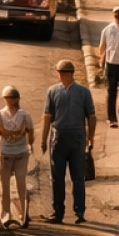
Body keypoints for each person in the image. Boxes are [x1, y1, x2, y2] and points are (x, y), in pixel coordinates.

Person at [40, 59, 96, 225]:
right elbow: (91, 117)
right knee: (78, 176)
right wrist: (90, 137)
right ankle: (79, 211)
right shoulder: (84, 92)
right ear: (72, 73)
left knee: (57, 177)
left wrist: (43, 139)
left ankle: (58, 212)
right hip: (78, 138)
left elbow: (47, 117)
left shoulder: (52, 91)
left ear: (60, 74)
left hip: (59, 138)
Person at [0, 85, 34, 229]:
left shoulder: (24, 114)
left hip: (21, 153)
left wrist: (30, 145)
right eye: (8, 98)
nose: (10, 101)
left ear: (17, 99)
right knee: (4, 186)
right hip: (5, 153)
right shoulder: (0, 114)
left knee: (21, 184)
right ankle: (5, 215)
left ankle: (24, 215)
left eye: (12, 98)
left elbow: (30, 131)